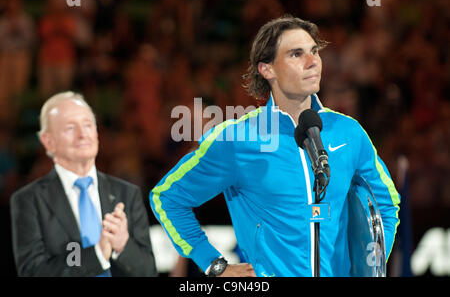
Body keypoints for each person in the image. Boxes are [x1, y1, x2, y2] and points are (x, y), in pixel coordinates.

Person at [149, 15, 401, 277]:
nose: (312, 61)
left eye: (315, 51)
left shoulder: (348, 132)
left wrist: (370, 268)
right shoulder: (237, 139)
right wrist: (214, 265)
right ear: (267, 69)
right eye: (296, 54)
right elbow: (167, 196)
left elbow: (386, 202)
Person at [10, 91, 157, 277]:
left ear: (96, 133)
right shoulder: (29, 200)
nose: (82, 135)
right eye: (70, 128)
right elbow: (33, 272)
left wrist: (123, 246)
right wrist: (96, 255)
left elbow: (149, 272)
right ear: (48, 142)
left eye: (88, 125)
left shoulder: (127, 194)